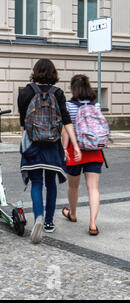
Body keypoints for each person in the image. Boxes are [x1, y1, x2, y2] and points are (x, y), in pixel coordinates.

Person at [18, 58, 82, 244]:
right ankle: (48, 222)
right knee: (51, 183)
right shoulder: (58, 93)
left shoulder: (25, 92)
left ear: (35, 71)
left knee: (36, 182)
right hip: (53, 145)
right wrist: (74, 146)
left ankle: (38, 216)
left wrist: (23, 146)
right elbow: (66, 121)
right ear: (53, 73)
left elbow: (23, 123)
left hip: (32, 144)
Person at [61, 75, 104, 235]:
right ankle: (93, 224)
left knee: (73, 186)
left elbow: (66, 129)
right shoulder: (96, 105)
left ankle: (72, 214)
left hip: (75, 151)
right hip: (94, 150)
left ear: (73, 89)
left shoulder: (69, 106)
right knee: (93, 188)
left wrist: (64, 148)